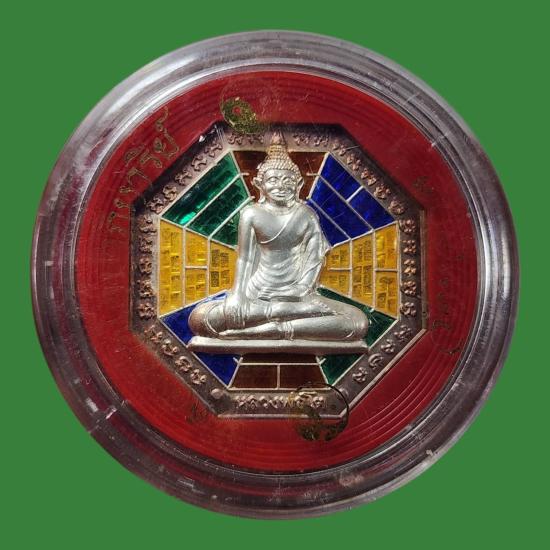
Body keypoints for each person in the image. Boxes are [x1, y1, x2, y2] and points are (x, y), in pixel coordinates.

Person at [188, 133, 368, 344]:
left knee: (357, 322)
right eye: (273, 180)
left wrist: (300, 291)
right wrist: (238, 295)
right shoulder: (252, 213)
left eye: (287, 180)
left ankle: (270, 328)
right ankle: (279, 317)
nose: (280, 186)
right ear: (260, 183)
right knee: (201, 319)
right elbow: (245, 258)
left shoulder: (306, 215)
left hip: (298, 296)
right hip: (257, 294)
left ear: (298, 183)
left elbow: (314, 259)